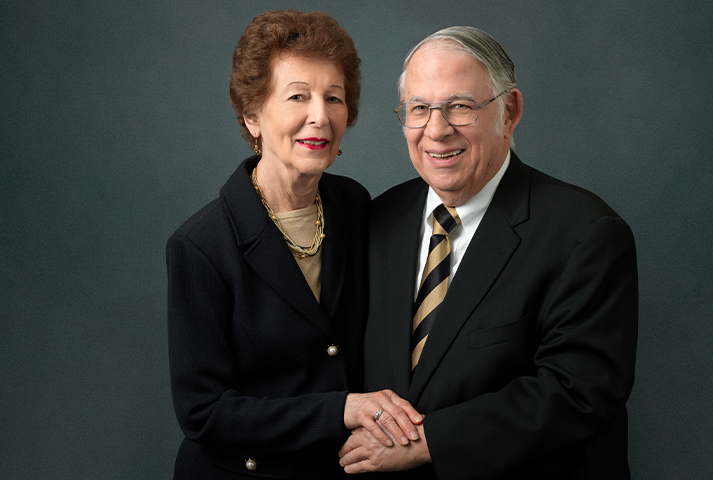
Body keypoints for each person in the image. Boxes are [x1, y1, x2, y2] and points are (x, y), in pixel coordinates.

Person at [338, 26, 638, 478]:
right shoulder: (378, 220)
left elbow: (580, 394)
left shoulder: (585, 232)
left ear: (509, 111)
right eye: (419, 108)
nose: (436, 130)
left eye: (460, 106)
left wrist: (428, 442)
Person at [166, 10, 421, 480]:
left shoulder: (352, 204)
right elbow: (204, 412)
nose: (319, 115)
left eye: (334, 97)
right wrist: (340, 409)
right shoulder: (200, 245)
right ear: (252, 114)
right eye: (298, 97)